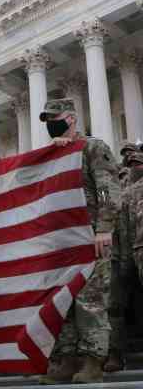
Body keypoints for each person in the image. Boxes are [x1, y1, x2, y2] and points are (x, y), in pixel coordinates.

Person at [38, 99, 120, 384]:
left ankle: (93, 360)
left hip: (89, 236)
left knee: (90, 299)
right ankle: (68, 358)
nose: (51, 124)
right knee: (64, 301)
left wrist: (104, 227)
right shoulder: (53, 156)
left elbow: (107, 189)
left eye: (54, 117)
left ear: (71, 118)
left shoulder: (92, 147)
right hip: (61, 242)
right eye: (47, 119)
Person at [105, 144, 141, 372]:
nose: (133, 166)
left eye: (136, 163)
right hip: (119, 257)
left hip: (136, 251)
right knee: (115, 307)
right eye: (129, 163)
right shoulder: (113, 192)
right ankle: (115, 353)